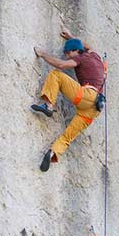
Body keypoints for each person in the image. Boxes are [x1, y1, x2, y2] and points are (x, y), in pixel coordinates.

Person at [29, 28, 106, 172]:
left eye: (68, 53)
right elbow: (87, 46)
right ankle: (53, 152)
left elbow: (61, 65)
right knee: (67, 136)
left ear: (75, 51)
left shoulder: (80, 58)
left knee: (56, 75)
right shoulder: (95, 56)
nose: (67, 56)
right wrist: (71, 37)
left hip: (86, 96)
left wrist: (43, 55)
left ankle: (48, 106)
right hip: (94, 110)